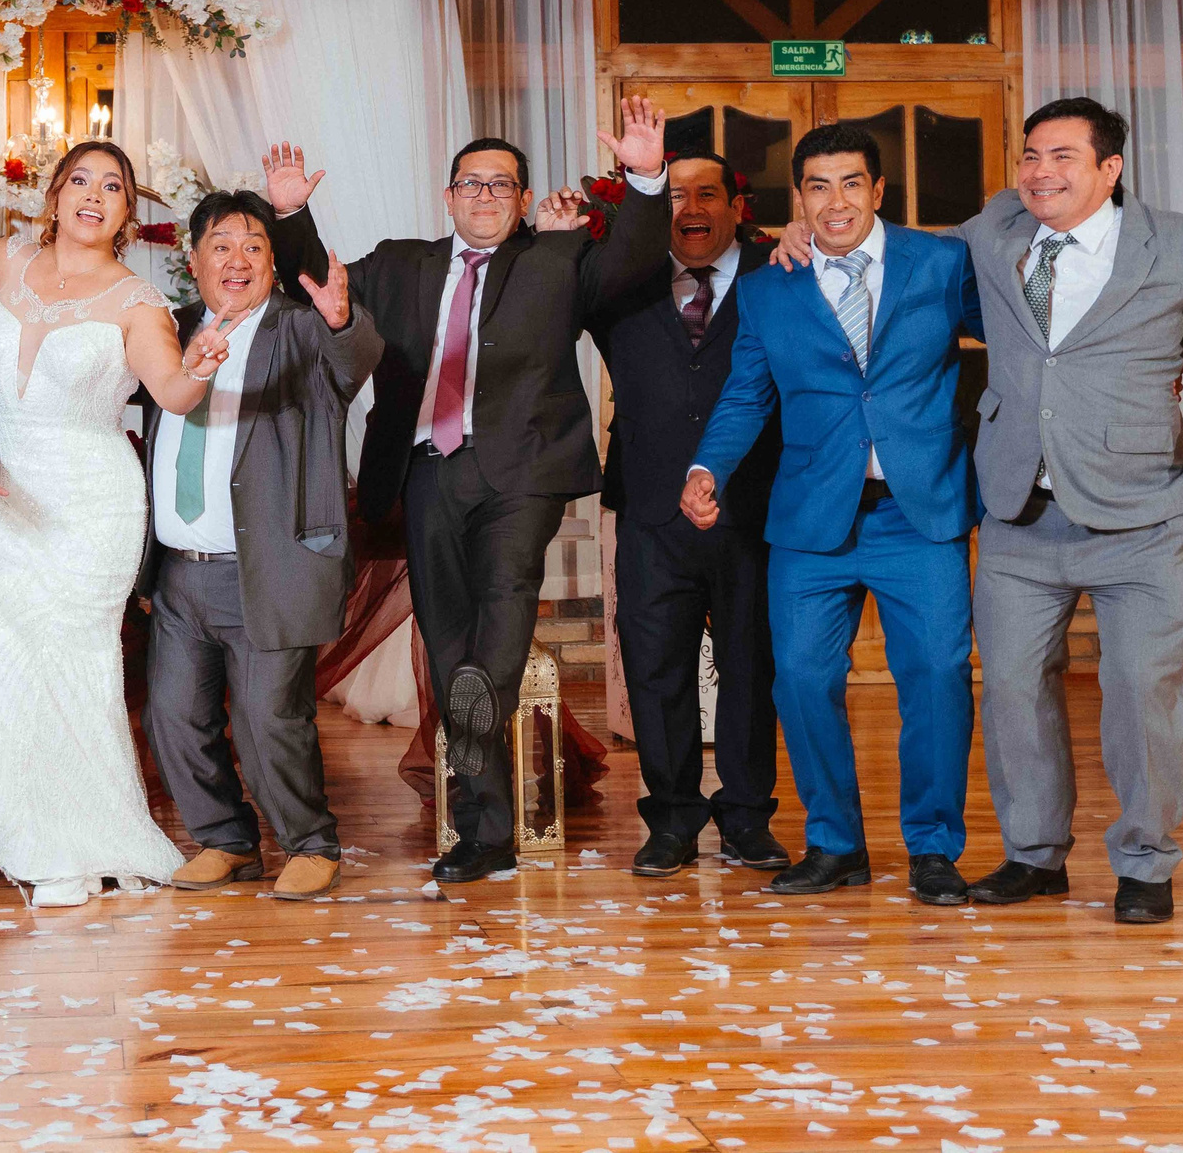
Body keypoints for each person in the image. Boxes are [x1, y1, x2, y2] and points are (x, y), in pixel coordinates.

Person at [263, 98, 672, 884]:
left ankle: (486, 714)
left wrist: (647, 176)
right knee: (449, 643)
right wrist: (291, 214)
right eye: (471, 184)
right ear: (448, 197)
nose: (485, 196)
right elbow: (317, 280)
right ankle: (483, 828)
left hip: (520, 472)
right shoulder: (401, 261)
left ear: (522, 200)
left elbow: (634, 261)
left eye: (501, 185)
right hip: (425, 470)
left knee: (504, 598)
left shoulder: (558, 260)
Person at [0, 97, 228, 908]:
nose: (94, 195)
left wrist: (200, 361)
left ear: (128, 212)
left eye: (113, 186)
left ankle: (68, 831)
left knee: (63, 661)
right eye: (81, 180)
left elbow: (170, 391)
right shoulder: (11, 262)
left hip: (86, 503)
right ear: (57, 193)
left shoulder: (137, 301)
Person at [956, 98, 1183, 925]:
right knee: (1007, 687)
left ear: (1109, 168)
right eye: (1032, 154)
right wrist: (794, 238)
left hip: (1141, 512)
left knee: (1144, 686)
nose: (1041, 171)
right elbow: (892, 261)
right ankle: (1034, 856)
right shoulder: (994, 229)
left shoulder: (1177, 244)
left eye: (1064, 157)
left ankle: (1145, 860)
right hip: (1016, 512)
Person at [683, 122, 983, 906]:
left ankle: (933, 848)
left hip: (920, 513)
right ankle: (836, 844)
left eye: (851, 183)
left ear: (878, 191)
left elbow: (1021, 336)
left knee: (939, 676)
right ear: (799, 199)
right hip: (812, 520)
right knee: (805, 680)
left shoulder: (943, 263)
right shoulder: (768, 284)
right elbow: (749, 391)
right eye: (818, 186)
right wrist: (706, 466)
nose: (836, 200)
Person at [138, 191, 383, 902]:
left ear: (273, 263)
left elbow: (351, 363)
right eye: (221, 245)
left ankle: (311, 841)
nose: (236, 259)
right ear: (193, 261)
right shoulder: (171, 330)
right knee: (173, 715)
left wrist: (342, 321)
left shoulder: (300, 330)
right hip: (181, 571)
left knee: (269, 716)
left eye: (253, 245)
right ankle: (226, 839)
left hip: (268, 565)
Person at [583, 152, 787, 879]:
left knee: (751, 666)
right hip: (647, 505)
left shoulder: (779, 273)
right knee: (655, 668)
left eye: (708, 192)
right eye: (674, 196)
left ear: (739, 206)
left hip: (755, 505)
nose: (690, 208)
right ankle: (670, 819)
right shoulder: (619, 282)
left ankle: (746, 818)